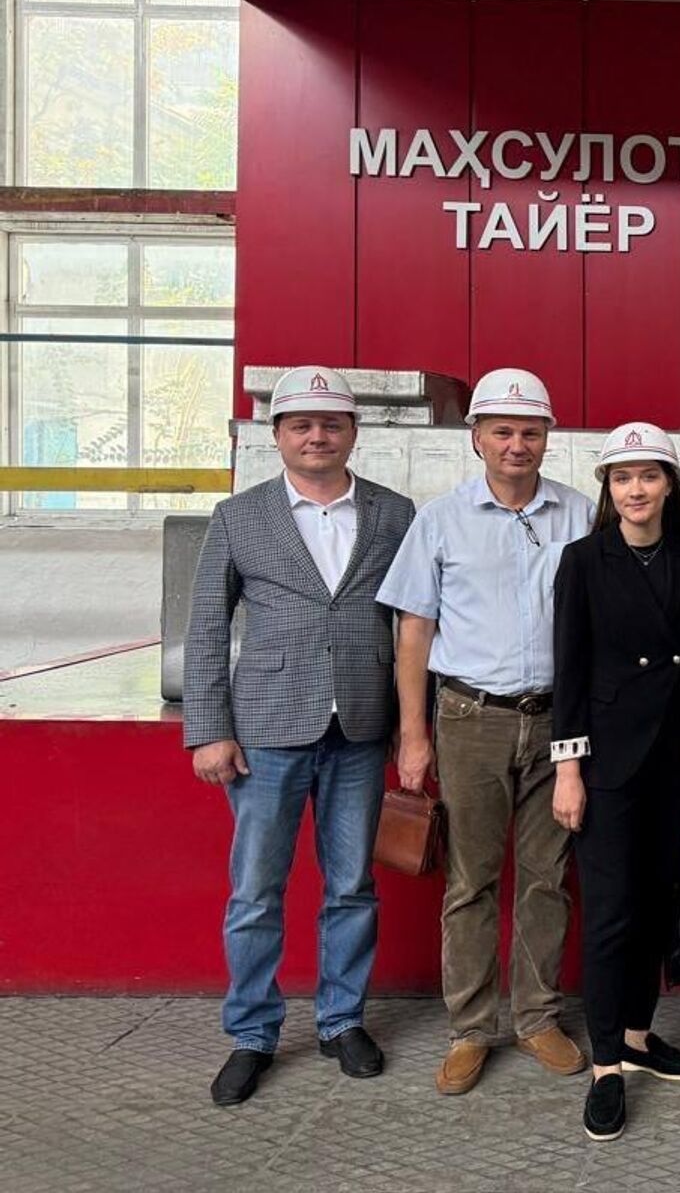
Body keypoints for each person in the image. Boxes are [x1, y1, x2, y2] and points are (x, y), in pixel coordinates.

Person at [183, 366, 416, 1107]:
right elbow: (207, 627)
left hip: (361, 728)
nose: (317, 436)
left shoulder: (394, 512)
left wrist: (415, 725)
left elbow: (415, 622)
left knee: (352, 885)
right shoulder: (238, 516)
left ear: (353, 432)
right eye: (301, 425)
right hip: (266, 730)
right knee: (257, 890)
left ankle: (342, 1020)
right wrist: (209, 730)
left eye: (331, 424)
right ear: (278, 434)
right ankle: (252, 1033)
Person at [377, 367, 594, 1095]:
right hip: (469, 718)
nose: (517, 444)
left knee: (547, 878)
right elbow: (413, 632)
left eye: (530, 431)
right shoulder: (440, 520)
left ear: (548, 438)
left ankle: (536, 1016)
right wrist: (414, 734)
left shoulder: (579, 514)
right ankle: (471, 1028)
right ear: (476, 438)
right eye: (502, 431)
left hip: (557, 720)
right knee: (471, 880)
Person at [551, 423, 680, 1142]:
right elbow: (569, 670)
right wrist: (569, 769)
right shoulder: (584, 560)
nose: (636, 489)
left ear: (670, 485)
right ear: (607, 489)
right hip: (608, 766)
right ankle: (605, 1065)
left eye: (649, 475)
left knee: (656, 902)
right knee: (612, 913)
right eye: (622, 478)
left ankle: (640, 1036)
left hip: (672, 762)